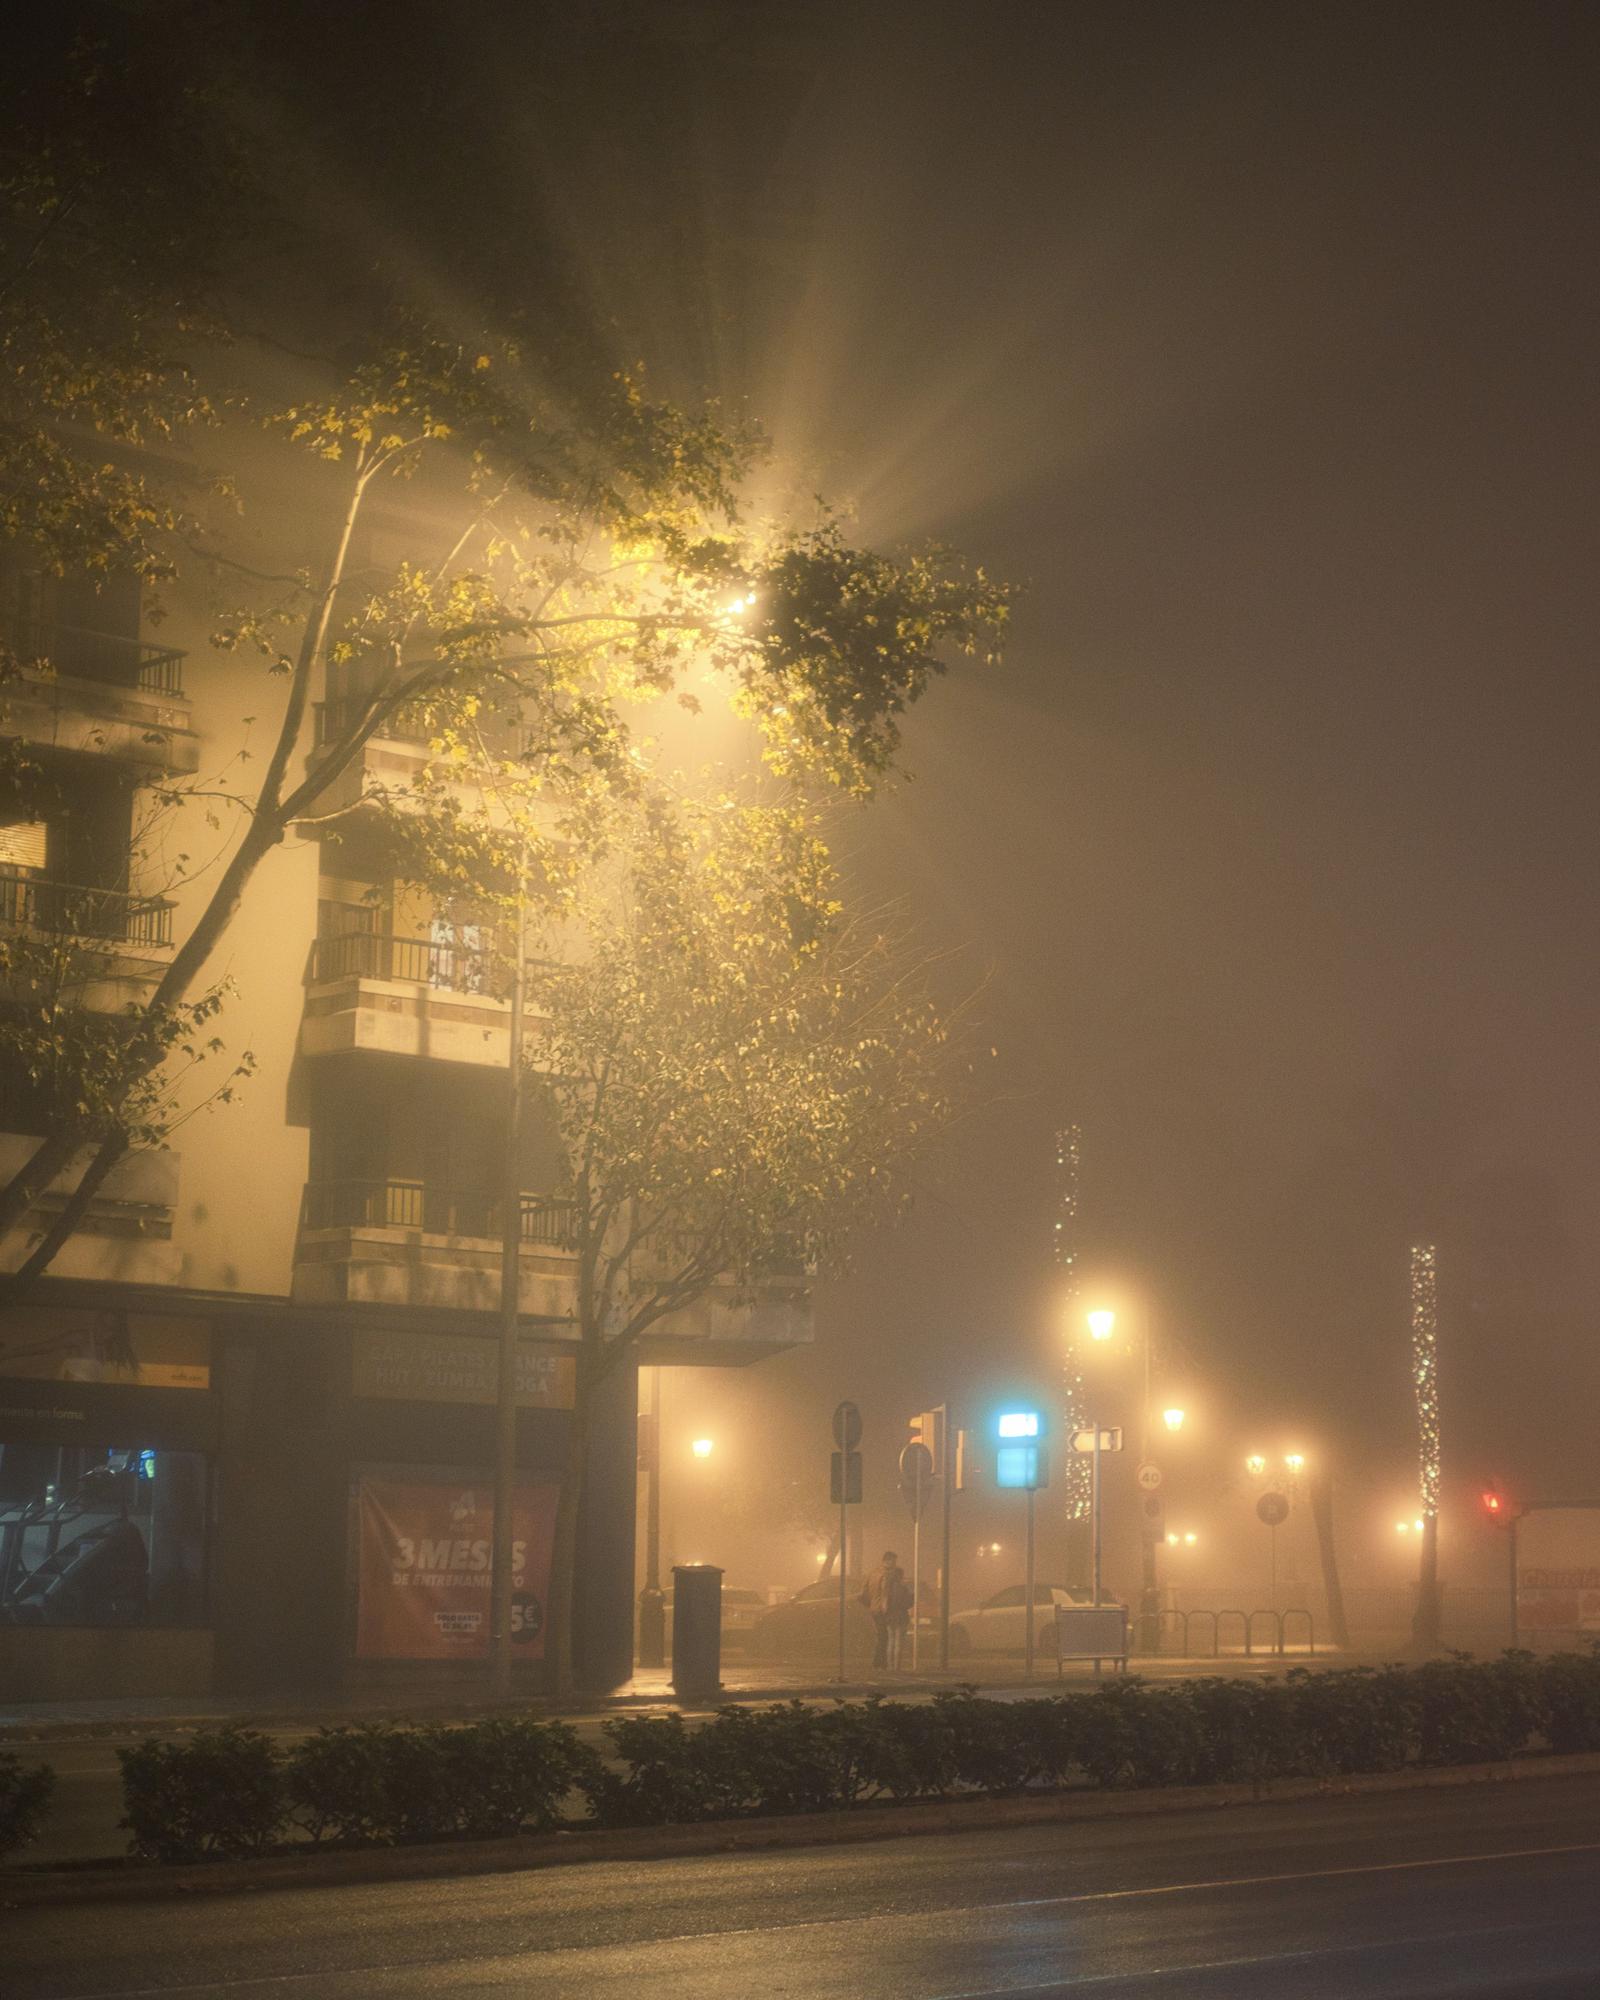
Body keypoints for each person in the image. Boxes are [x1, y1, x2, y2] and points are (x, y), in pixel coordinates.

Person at [861, 1550, 913, 1670]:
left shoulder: (872, 1573)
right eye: (893, 1561)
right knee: (886, 1637)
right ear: (887, 1561)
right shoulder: (888, 1575)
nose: (895, 1564)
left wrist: (870, 1604)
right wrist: (885, 1607)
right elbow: (886, 1593)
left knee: (881, 1635)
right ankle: (880, 1663)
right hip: (884, 1609)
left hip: (874, 1608)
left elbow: (863, 1592)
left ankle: (880, 1663)